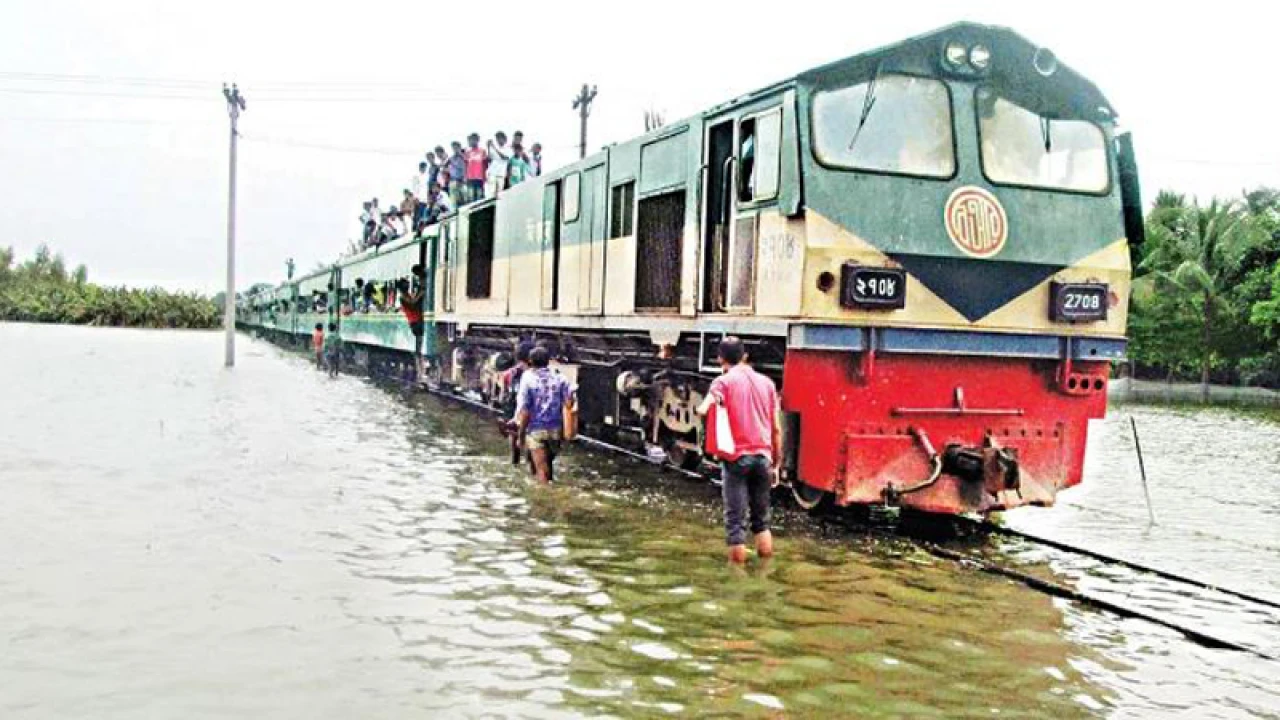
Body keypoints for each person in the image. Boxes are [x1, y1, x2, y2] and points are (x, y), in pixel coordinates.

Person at [696, 336, 781, 565]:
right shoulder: (767, 383)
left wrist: (706, 413)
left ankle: (737, 578)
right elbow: (776, 428)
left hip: (736, 459)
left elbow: (704, 408)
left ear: (720, 359)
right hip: (763, 458)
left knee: (736, 525)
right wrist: (777, 464)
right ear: (745, 356)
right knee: (761, 522)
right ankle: (764, 570)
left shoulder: (722, 382)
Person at [515, 346, 574, 484]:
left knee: (541, 471)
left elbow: (525, 410)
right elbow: (569, 402)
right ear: (548, 361)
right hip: (556, 430)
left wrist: (521, 435)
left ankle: (545, 500)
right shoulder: (560, 377)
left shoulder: (528, 378)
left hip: (536, 430)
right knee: (548, 466)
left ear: (530, 361)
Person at [400, 264, 427, 381]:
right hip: (415, 322)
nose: (407, 285)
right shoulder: (403, 297)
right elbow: (413, 304)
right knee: (418, 347)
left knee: (418, 347)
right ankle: (420, 372)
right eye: (406, 284)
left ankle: (420, 371)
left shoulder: (406, 295)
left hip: (416, 320)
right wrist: (421, 293)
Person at [464, 133, 488, 204]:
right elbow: (465, 165)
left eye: (474, 139)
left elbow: (485, 164)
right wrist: (465, 177)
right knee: (471, 198)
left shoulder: (482, 151)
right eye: (471, 140)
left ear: (478, 140)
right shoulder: (468, 152)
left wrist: (485, 177)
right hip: (470, 178)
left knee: (480, 197)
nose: (472, 141)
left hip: (480, 178)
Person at [485, 131, 510, 198]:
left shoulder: (508, 149)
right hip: (492, 173)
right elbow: (489, 159)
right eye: (497, 138)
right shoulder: (493, 148)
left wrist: (494, 147)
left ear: (505, 139)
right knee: (491, 194)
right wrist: (488, 147)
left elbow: (504, 157)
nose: (499, 140)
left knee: (499, 195)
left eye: (500, 138)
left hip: (501, 175)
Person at [448, 141, 467, 207]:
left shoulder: (464, 156)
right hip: (453, 181)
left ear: (459, 147)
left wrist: (461, 155)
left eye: (456, 147)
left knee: (464, 200)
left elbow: (465, 168)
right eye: (453, 147)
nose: (455, 149)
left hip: (462, 181)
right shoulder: (451, 158)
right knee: (455, 202)